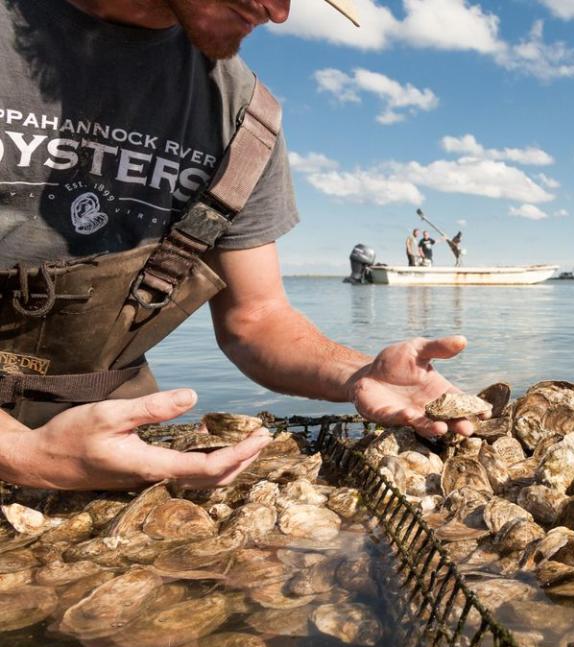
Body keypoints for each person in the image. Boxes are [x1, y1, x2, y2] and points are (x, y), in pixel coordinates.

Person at [0, 0, 479, 492]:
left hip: (115, 430)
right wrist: (21, 453)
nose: (278, 12)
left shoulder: (243, 115)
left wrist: (359, 374)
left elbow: (257, 320)